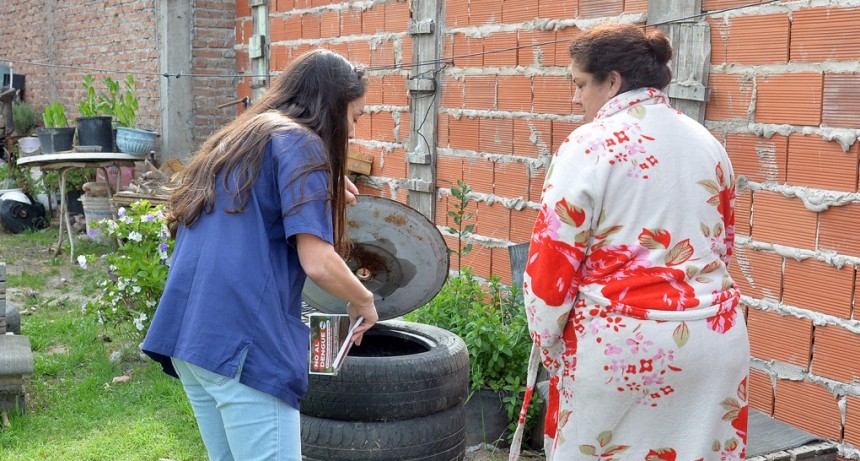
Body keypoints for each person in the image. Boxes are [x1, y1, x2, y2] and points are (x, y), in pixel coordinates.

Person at [521, 23, 749, 460]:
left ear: (612, 81)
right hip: (714, 341)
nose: (576, 98)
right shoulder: (707, 142)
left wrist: (547, 339)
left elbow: (553, 260)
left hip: (625, 349)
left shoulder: (588, 145)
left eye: (580, 84)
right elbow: (722, 246)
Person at [141, 49, 379, 461]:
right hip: (241, 345)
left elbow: (256, 199)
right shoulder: (302, 144)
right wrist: (364, 300)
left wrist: (323, 182)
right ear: (332, 105)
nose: (353, 132)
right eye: (355, 117)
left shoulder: (240, 138)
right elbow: (317, 260)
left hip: (193, 340)